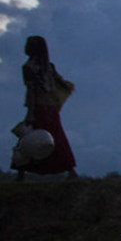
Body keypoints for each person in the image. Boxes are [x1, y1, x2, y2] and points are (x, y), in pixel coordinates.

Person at [13, 36, 77, 180]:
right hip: (51, 109)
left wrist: (29, 112)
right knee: (56, 139)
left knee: (27, 139)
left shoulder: (29, 68)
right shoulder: (49, 67)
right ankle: (71, 171)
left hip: (39, 108)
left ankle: (20, 173)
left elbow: (31, 92)